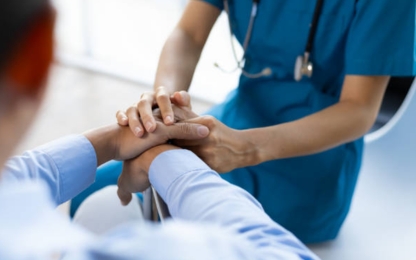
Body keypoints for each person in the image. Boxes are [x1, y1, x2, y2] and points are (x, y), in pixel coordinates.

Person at [73, 0, 416, 243]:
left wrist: (247, 148)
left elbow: (359, 110)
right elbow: (189, 34)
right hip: (232, 123)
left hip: (306, 162)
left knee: (192, 234)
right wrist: (165, 103)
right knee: (88, 193)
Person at [0, 1, 319, 259]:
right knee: (104, 199)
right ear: (40, 54)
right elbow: (280, 251)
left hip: (309, 148)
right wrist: (163, 148)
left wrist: (120, 137)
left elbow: (361, 111)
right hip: (216, 133)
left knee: (103, 198)